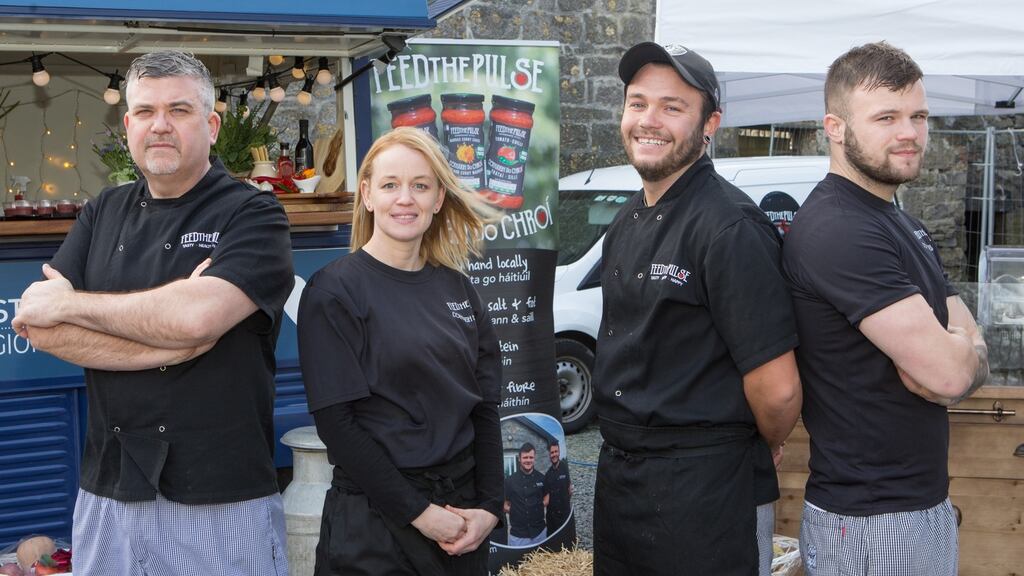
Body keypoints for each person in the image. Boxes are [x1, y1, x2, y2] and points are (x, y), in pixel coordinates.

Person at [10, 50, 294, 575]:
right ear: (127, 125)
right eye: (145, 112)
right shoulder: (103, 211)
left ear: (211, 125)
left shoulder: (254, 214)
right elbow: (40, 328)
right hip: (109, 488)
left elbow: (195, 320)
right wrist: (172, 340)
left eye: (179, 110)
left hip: (220, 493)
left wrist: (75, 306)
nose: (160, 125)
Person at [591, 42, 802, 576]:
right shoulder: (627, 218)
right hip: (622, 483)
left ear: (711, 123)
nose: (649, 121)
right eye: (638, 104)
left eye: (672, 107)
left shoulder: (731, 228)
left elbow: (778, 391)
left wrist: (755, 444)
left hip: (704, 490)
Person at [782, 42, 989, 576]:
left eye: (919, 116)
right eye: (886, 117)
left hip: (914, 505)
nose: (910, 133)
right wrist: (958, 354)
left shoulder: (900, 221)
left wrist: (962, 354)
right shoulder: (839, 229)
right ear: (834, 126)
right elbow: (945, 373)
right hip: (874, 520)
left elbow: (958, 349)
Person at [297, 127, 502, 576]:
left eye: (420, 185)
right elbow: (338, 426)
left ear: (439, 199)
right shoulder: (334, 291)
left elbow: (484, 410)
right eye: (390, 185)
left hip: (459, 523)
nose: (405, 199)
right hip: (376, 527)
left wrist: (488, 508)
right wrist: (422, 515)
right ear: (368, 196)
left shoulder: (460, 291)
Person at [502, 443, 547, 546]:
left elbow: (547, 496)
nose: (528, 460)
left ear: (534, 458)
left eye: (531, 457)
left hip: (540, 533)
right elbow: (504, 504)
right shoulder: (510, 481)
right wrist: (515, 511)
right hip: (518, 536)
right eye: (525, 457)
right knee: (518, 562)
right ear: (519, 459)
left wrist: (538, 506)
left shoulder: (541, 478)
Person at [542, 442, 572, 537]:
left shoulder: (566, 469)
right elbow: (546, 498)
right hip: (552, 518)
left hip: (565, 515)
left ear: (559, 452)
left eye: (556, 451)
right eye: (552, 452)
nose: (554, 454)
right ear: (549, 454)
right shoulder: (547, 475)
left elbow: (570, 490)